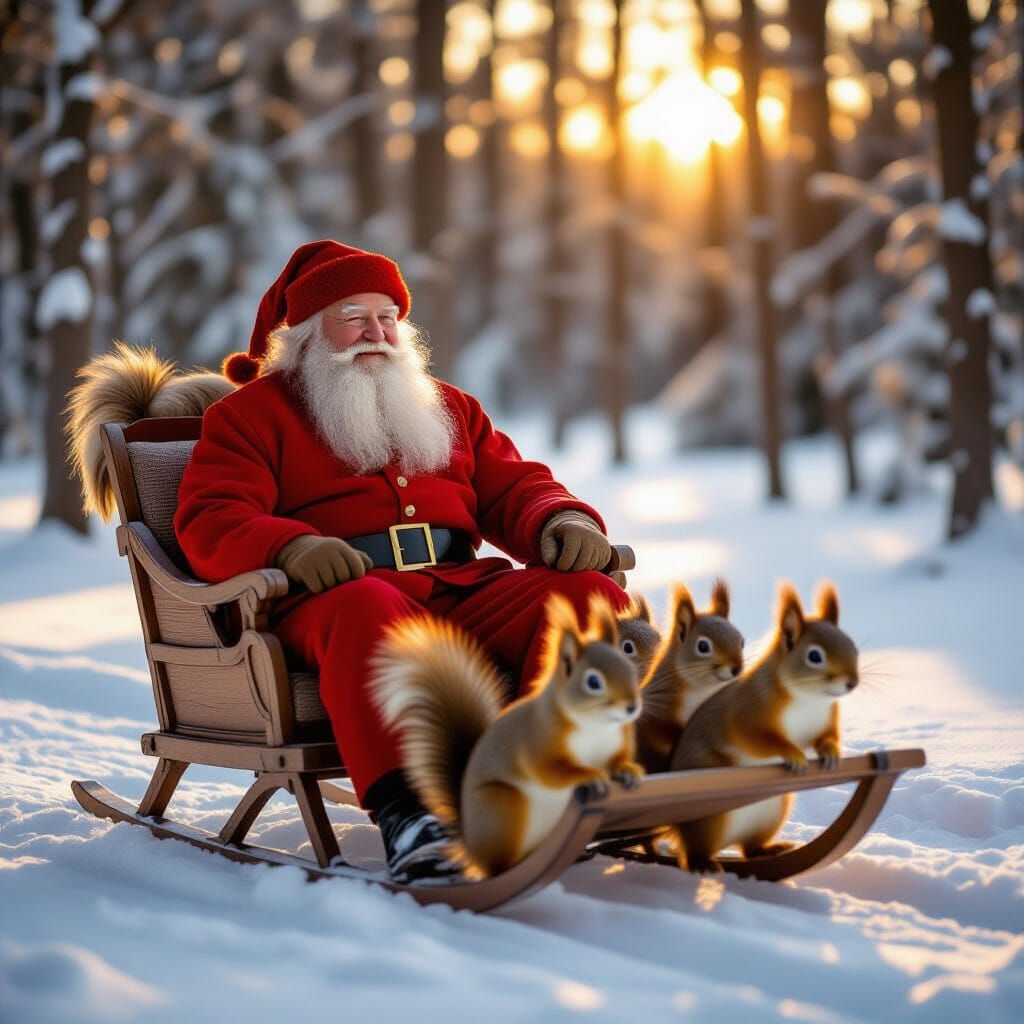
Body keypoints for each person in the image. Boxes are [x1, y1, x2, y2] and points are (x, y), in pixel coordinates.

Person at [174, 240, 630, 882]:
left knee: (587, 595)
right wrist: (290, 547)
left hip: (460, 588)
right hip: (338, 600)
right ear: (306, 333)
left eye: (388, 315)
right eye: (353, 314)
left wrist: (561, 517)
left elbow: (516, 484)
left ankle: (550, 779)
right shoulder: (249, 418)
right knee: (370, 605)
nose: (377, 332)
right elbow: (212, 517)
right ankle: (412, 815)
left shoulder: (447, 407)